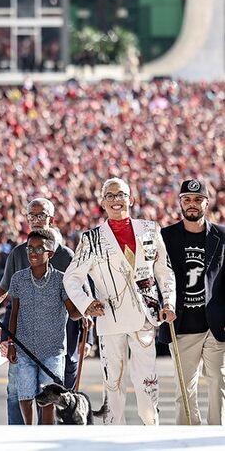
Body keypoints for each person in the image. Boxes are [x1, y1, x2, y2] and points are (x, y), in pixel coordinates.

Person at [63, 177, 177, 425]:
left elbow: (164, 270)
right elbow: (71, 278)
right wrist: (86, 304)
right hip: (110, 317)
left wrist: (168, 302)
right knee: (113, 384)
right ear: (102, 203)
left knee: (147, 382)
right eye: (110, 196)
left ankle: (151, 431)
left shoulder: (150, 229)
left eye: (121, 195)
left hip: (146, 315)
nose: (116, 200)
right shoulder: (91, 239)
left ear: (131, 199)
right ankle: (114, 438)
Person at [0, 198, 93, 424]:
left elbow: (83, 297)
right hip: (23, 338)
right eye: (31, 216)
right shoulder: (17, 253)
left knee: (57, 395)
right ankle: (19, 439)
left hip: (59, 338)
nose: (36, 220)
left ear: (51, 219)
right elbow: (4, 288)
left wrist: (88, 336)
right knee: (17, 392)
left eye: (41, 215)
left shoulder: (66, 255)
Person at [158, 179, 225, 425]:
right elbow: (156, 278)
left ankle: (217, 435)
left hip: (214, 326)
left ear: (207, 203)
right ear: (180, 203)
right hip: (182, 325)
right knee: (185, 391)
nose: (192, 204)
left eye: (198, 200)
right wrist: (163, 306)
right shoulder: (165, 237)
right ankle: (187, 438)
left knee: (218, 382)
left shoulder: (221, 235)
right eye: (187, 199)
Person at [6, 229, 83, 425]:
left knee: (49, 397)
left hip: (52, 349)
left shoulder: (61, 280)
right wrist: (11, 343)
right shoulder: (18, 278)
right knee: (25, 393)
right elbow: (13, 313)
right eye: (30, 248)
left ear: (51, 254)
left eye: (39, 248)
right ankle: (29, 432)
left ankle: (46, 433)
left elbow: (73, 313)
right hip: (24, 348)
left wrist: (87, 308)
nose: (33, 252)